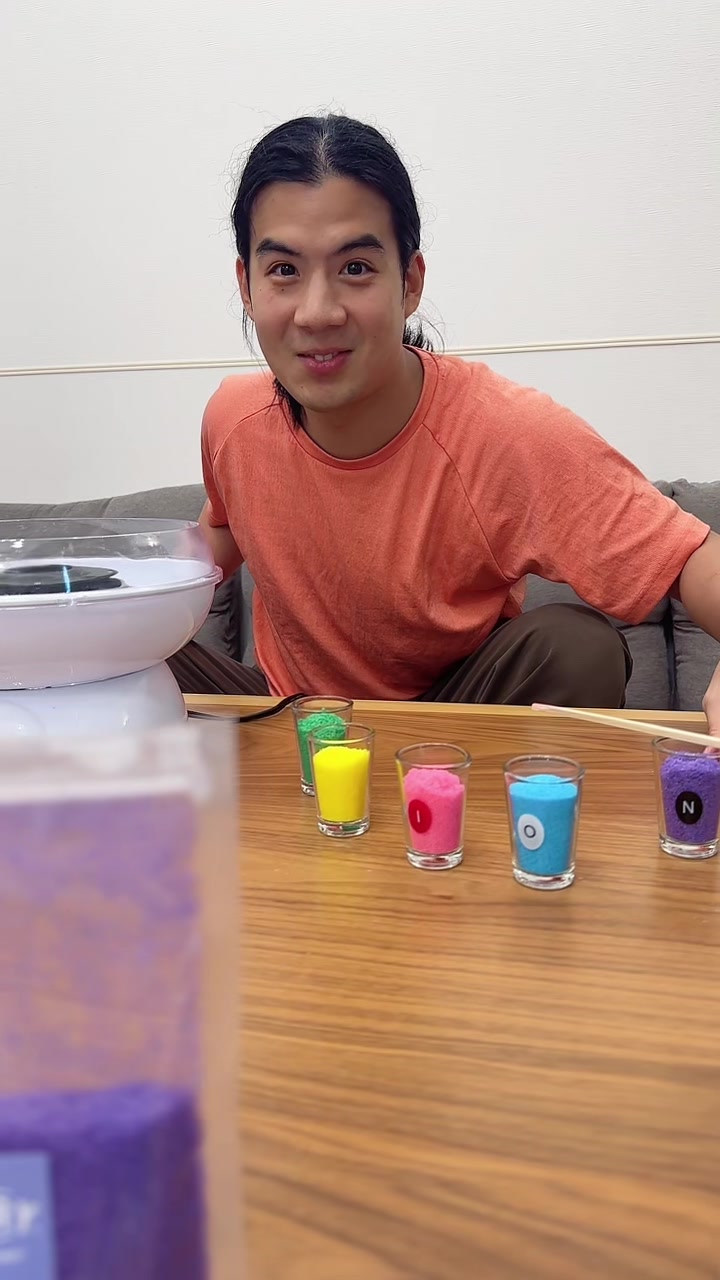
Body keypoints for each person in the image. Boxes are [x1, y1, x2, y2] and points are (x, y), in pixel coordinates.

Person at [170, 114, 720, 731]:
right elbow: (223, 532)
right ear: (246, 286)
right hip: (289, 719)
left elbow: (694, 557)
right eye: (284, 271)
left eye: (355, 267)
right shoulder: (234, 419)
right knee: (105, 650)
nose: (317, 312)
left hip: (450, 722)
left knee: (577, 647)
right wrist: (121, 600)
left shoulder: (502, 432)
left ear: (410, 282)